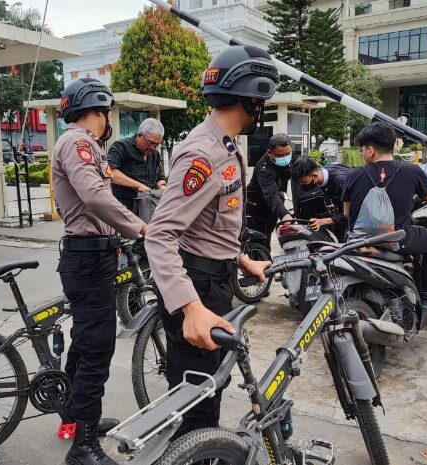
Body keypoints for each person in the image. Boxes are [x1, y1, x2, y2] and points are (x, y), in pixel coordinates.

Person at [145, 45, 278, 439]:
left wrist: (242, 260)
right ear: (251, 99)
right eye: (262, 101)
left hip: (216, 278)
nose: (261, 109)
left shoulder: (227, 143)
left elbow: (207, 225)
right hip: (196, 287)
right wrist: (191, 309)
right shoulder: (206, 153)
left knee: (210, 389)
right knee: (197, 404)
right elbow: (161, 235)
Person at [51, 78, 147, 465]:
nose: (109, 120)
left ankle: (74, 418)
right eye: (107, 113)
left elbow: (91, 204)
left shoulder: (81, 143)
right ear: (98, 111)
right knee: (96, 348)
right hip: (88, 260)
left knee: (84, 342)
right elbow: (95, 196)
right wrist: (140, 227)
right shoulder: (78, 142)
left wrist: (118, 237)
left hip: (92, 256)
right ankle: (84, 445)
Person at [342, 122, 427, 309]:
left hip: (357, 241)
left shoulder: (354, 174)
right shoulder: (411, 171)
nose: (362, 153)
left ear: (371, 150)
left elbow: (347, 213)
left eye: (362, 149)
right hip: (396, 240)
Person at [107, 118, 167, 211]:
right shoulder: (121, 147)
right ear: (139, 135)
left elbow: (160, 178)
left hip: (147, 207)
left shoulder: (155, 154)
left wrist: (163, 188)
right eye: (150, 143)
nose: (153, 148)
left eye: (156, 144)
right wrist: (138, 185)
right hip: (123, 207)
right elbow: (110, 172)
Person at [246, 133, 294, 244]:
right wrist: (285, 214)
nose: (285, 158)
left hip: (274, 210)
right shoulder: (264, 170)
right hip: (256, 210)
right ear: (269, 153)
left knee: (268, 237)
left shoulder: (290, 156)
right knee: (260, 242)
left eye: (288, 153)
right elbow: (271, 195)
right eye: (280, 156)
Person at [291, 156, 350, 242]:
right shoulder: (323, 175)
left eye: (304, 182)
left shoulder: (340, 182)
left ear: (314, 176)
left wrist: (323, 221)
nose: (302, 185)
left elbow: (350, 213)